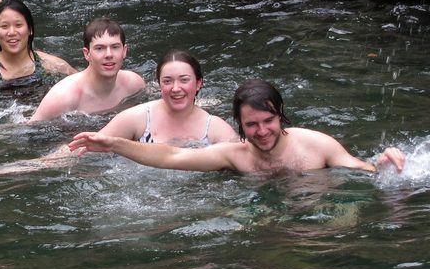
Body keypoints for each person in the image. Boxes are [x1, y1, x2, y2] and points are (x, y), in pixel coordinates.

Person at [68, 78, 406, 175]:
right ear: (240, 127)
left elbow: (365, 172)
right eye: (252, 125)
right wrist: (114, 144)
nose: (262, 131)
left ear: (280, 116)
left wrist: (386, 164)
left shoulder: (317, 144)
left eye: (268, 121)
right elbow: (170, 157)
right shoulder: (234, 156)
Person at [95, 50, 238, 145]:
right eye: (167, 81)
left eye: (184, 80)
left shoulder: (215, 129)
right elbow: (86, 149)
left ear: (198, 83)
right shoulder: (138, 118)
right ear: (159, 85)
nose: (175, 89)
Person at [28, 16, 146, 121]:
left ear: (124, 51)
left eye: (115, 47)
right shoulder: (63, 97)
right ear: (86, 53)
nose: (109, 54)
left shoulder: (134, 85)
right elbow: (30, 132)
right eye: (100, 48)